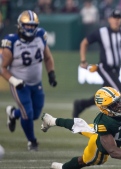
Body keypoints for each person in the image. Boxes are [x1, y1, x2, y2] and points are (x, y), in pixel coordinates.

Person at [40, 86, 121, 169]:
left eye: (118, 100)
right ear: (104, 109)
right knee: (85, 161)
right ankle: (63, 167)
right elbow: (112, 150)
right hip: (100, 145)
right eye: (113, 105)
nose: (119, 105)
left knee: (80, 125)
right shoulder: (103, 122)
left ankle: (51, 120)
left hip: (104, 131)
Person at [0, 10, 57, 151]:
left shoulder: (41, 36)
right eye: (27, 25)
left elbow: (48, 57)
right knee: (28, 113)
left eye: (33, 25)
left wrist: (51, 74)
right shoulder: (11, 41)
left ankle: (13, 114)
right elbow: (2, 68)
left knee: (35, 114)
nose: (30, 28)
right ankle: (32, 141)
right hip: (19, 84)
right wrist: (13, 81)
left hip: (36, 83)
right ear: (20, 25)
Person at [73, 9, 121, 129]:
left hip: (117, 69)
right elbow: (84, 43)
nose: (116, 20)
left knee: (107, 95)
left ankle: (81, 105)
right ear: (109, 19)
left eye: (118, 18)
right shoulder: (102, 32)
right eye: (114, 18)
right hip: (105, 67)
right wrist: (83, 60)